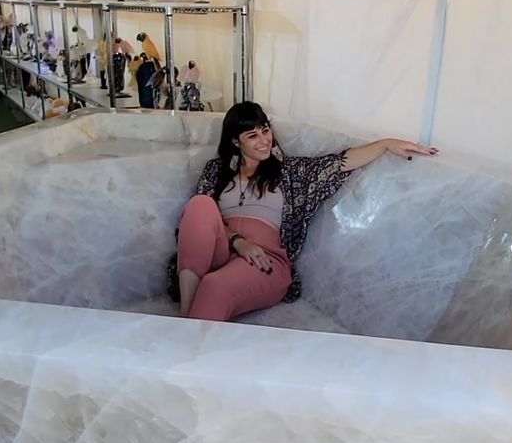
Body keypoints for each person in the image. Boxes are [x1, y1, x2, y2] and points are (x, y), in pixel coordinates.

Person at [174, 101, 438, 323]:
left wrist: (385, 144)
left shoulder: (291, 173)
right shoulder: (216, 170)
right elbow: (198, 223)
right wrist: (238, 241)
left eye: (265, 130)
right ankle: (187, 314)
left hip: (265, 260)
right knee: (199, 204)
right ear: (235, 141)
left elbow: (339, 163)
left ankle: (185, 353)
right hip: (221, 249)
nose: (264, 140)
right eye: (252, 136)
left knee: (214, 286)